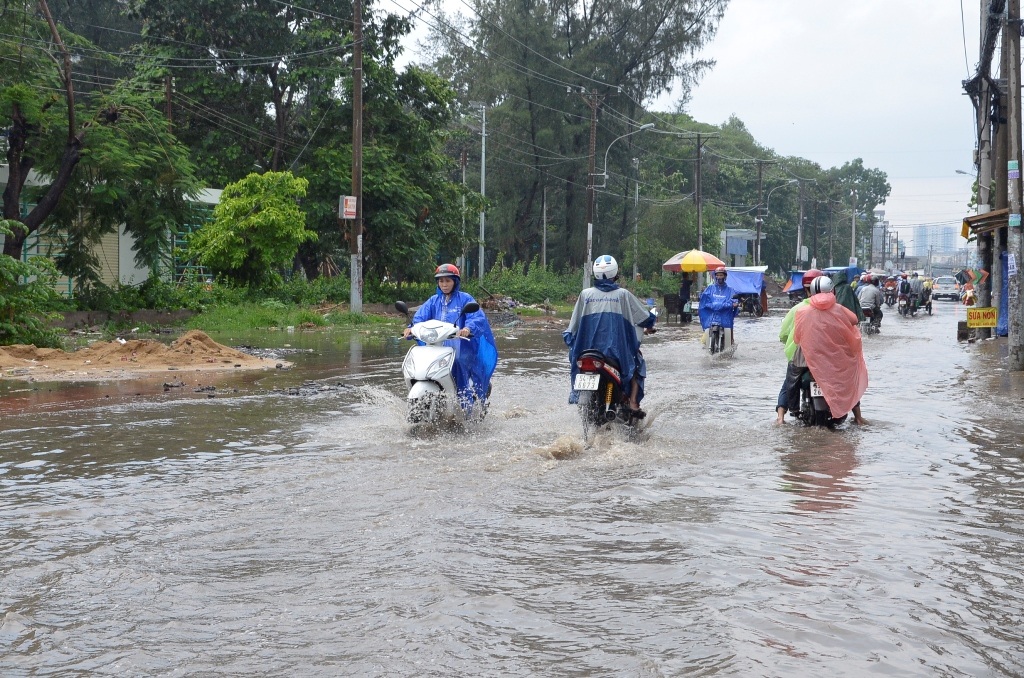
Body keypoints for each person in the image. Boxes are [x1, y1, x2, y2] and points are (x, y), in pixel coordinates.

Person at [563, 255, 656, 414]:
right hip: (616, 353)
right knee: (637, 364)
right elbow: (643, 317)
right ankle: (633, 403)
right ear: (615, 273)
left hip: (588, 353)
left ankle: (579, 396)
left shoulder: (586, 295)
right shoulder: (622, 295)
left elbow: (572, 328)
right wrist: (650, 323)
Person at [403, 263, 498, 408]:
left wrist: (467, 328)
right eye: (441, 281)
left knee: (458, 362)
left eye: (448, 280)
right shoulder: (433, 301)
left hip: (461, 347)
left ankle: (465, 404)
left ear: (455, 282)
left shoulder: (465, 299)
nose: (444, 284)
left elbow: (477, 317)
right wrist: (411, 328)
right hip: (436, 347)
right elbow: (419, 318)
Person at [793, 275, 869, 425]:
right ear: (832, 291)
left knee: (791, 380)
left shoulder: (802, 312)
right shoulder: (839, 309)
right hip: (836, 360)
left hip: (811, 362)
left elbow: (797, 338)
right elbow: (854, 320)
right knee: (851, 379)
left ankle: (786, 411)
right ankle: (858, 417)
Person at [775, 268, 820, 424]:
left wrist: (788, 342)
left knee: (788, 383)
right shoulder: (834, 309)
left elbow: (783, 335)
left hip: (799, 358)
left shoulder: (797, 309)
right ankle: (858, 416)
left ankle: (780, 418)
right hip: (826, 357)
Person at [699, 266, 739, 342]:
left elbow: (735, 300)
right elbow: (704, 298)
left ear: (725, 276)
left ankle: (731, 342)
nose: (719, 277)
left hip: (725, 317)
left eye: (721, 275)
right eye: (718, 275)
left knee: (730, 337)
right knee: (704, 340)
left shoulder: (730, 290)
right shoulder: (710, 288)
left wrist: (735, 303)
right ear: (715, 276)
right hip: (712, 317)